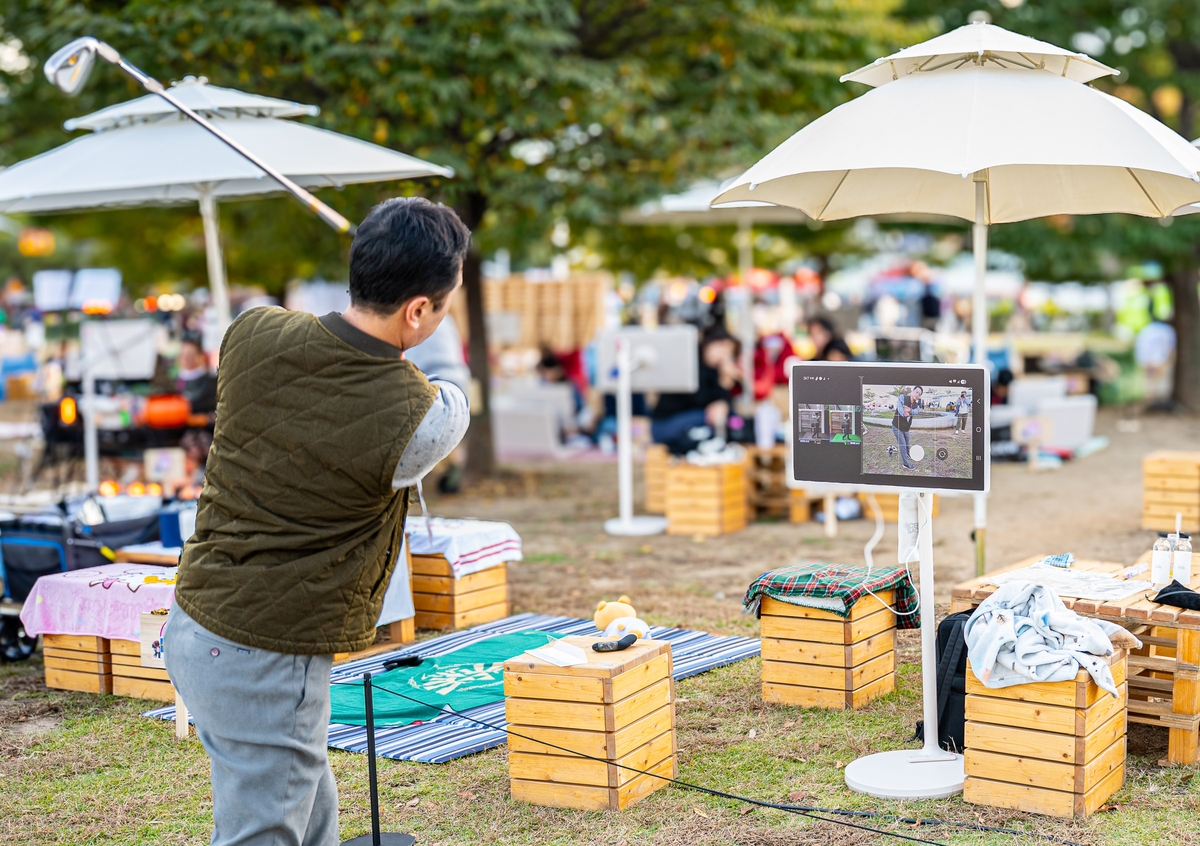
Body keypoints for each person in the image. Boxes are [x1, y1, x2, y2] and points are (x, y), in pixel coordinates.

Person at [165, 197, 472, 846]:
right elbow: (448, 392)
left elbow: (339, 354)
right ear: (419, 310)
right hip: (265, 653)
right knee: (266, 828)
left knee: (307, 809)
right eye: (443, 304)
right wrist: (436, 325)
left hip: (196, 622)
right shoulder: (417, 418)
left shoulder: (251, 333)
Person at [404, 314, 470, 493]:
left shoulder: (410, 318)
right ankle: (451, 476)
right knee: (451, 436)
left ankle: (417, 482)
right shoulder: (445, 318)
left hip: (426, 379)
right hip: (456, 380)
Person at [651, 326, 740, 450]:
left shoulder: (715, 371)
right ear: (708, 343)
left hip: (694, 421)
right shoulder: (688, 362)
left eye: (729, 350)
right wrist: (723, 383)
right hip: (666, 423)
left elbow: (722, 405)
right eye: (720, 345)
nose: (724, 353)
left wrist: (726, 382)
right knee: (710, 416)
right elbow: (700, 400)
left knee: (733, 417)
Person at [892, 386, 923, 470]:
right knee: (902, 444)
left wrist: (909, 410)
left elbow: (916, 412)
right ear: (912, 391)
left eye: (919, 394)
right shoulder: (902, 397)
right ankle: (905, 463)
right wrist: (905, 413)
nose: (917, 395)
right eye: (916, 392)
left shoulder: (917, 405)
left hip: (906, 428)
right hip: (897, 426)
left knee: (907, 443)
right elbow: (900, 409)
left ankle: (908, 454)